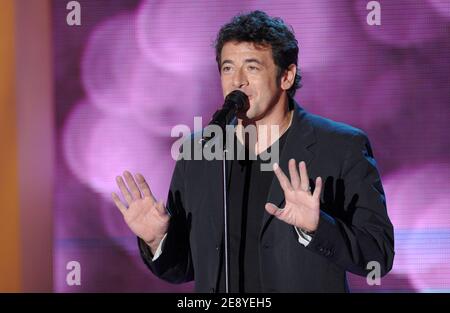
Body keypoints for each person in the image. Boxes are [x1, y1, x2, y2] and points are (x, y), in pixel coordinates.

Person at [112, 10, 394, 293]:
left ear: (286, 76)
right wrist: (158, 240)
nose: (238, 81)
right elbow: (185, 267)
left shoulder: (340, 147)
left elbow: (377, 255)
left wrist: (318, 228)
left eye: (252, 67)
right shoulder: (198, 153)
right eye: (227, 68)